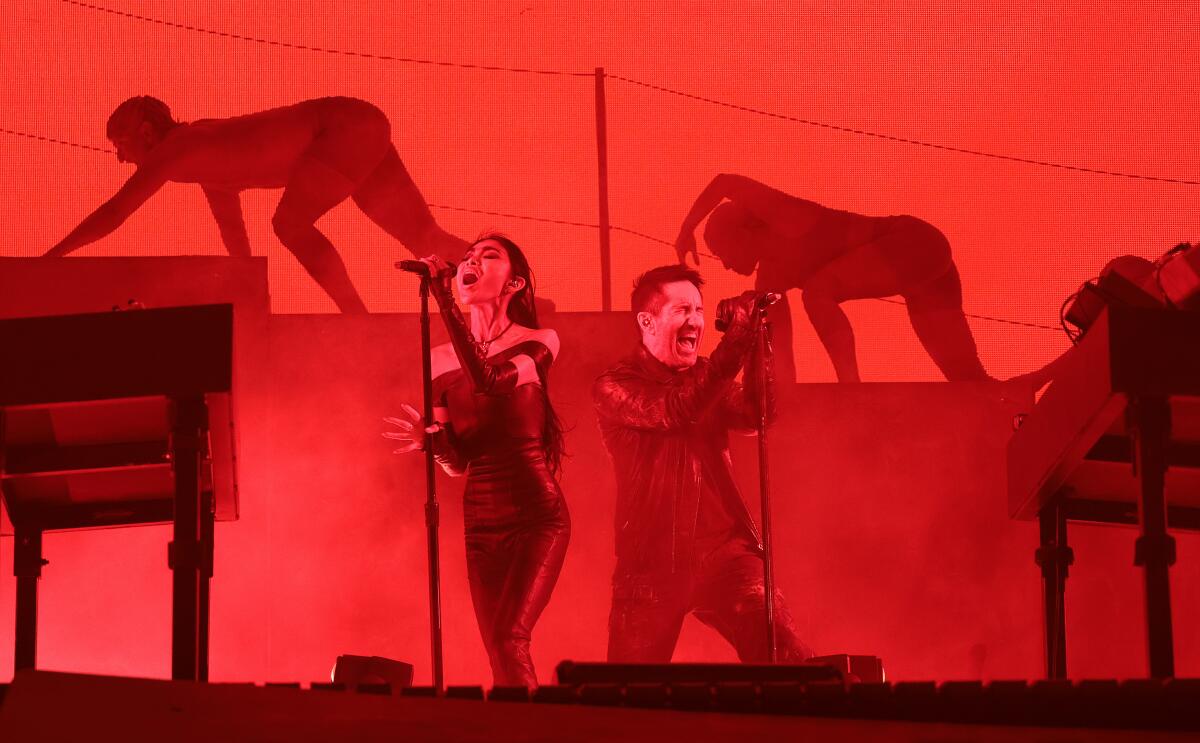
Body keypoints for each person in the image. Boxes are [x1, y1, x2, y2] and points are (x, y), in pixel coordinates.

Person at [45, 96, 469, 313]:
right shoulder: (203, 161)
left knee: (289, 224)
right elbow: (236, 242)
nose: (121, 158)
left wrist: (49, 260)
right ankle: (515, 283)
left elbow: (115, 211)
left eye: (121, 145)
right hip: (357, 124)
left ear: (146, 132)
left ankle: (356, 316)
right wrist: (251, 304)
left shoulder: (179, 149)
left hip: (340, 127)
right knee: (424, 239)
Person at [592, 264, 812, 663]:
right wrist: (737, 341)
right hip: (650, 563)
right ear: (647, 321)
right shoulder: (615, 386)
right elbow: (679, 411)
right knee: (629, 693)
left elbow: (756, 414)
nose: (695, 320)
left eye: (699, 309)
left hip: (725, 553)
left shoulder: (706, 374)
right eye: (681, 310)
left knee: (783, 649)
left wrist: (757, 338)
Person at [383, 234, 569, 687]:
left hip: (535, 515)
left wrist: (443, 296)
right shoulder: (437, 360)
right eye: (468, 257)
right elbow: (459, 464)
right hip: (480, 521)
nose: (472, 261)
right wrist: (433, 444)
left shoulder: (539, 342)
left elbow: (490, 381)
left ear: (515, 283)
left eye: (489, 257)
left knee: (509, 637)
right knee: (497, 649)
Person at [675, 173, 993, 383]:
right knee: (968, 379)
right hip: (927, 269)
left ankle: (850, 388)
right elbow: (783, 360)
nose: (726, 266)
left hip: (914, 242)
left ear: (740, 234)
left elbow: (725, 182)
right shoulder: (770, 281)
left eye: (721, 252)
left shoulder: (785, 217)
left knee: (816, 293)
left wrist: (687, 227)